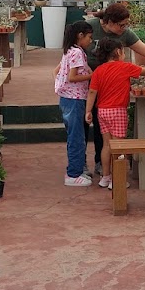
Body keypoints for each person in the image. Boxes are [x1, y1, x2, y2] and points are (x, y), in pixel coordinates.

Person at [82, 2, 145, 175]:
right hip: (85, 83)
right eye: (121, 25)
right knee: (84, 127)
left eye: (126, 25)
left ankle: (102, 166)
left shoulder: (125, 35)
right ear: (109, 22)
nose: (124, 28)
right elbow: (72, 48)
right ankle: (82, 164)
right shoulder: (89, 27)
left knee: (102, 131)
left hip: (106, 89)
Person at [85, 39, 145, 189]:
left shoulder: (98, 70)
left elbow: (92, 92)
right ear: (118, 52)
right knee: (119, 146)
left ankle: (105, 177)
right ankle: (117, 181)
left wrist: (88, 111)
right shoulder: (125, 67)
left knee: (106, 145)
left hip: (102, 111)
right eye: (124, 51)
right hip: (118, 110)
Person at [55, 21, 94, 186]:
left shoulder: (69, 50)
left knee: (75, 136)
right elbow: (72, 77)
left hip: (67, 98)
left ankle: (78, 169)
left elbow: (56, 72)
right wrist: (93, 76)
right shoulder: (77, 53)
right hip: (75, 99)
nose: (90, 41)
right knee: (76, 137)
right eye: (89, 37)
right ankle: (73, 174)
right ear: (80, 35)